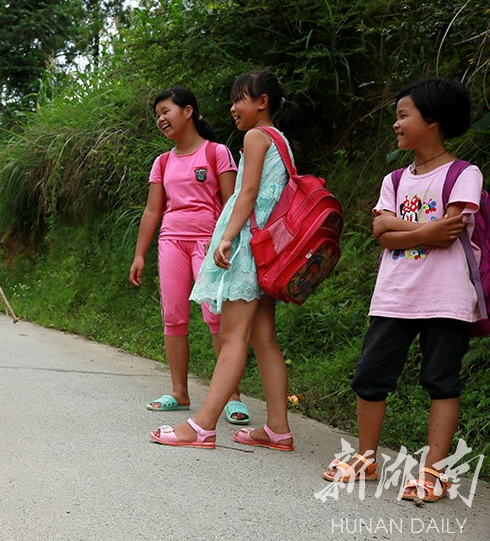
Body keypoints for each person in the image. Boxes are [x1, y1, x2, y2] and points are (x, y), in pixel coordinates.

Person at [321, 78, 482, 503]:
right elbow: (380, 231)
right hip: (394, 296)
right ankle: (366, 456)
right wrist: (425, 229)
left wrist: (405, 229)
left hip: (446, 298)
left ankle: (434, 472)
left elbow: (449, 233)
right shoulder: (394, 179)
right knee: (370, 377)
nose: (396, 123)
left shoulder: (464, 173)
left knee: (440, 380)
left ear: (433, 121)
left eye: (403, 115)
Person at [150, 70, 297, 450]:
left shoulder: (255, 136)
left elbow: (246, 194)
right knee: (265, 340)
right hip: (271, 251)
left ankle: (201, 426)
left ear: (262, 103)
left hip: (248, 249)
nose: (233, 108)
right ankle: (278, 429)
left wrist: (228, 237)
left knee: (233, 337)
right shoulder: (281, 142)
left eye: (240, 99)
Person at [129, 87, 244, 421]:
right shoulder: (163, 162)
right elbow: (153, 211)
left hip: (209, 244)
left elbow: (231, 203)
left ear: (189, 111)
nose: (161, 119)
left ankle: (232, 396)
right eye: (157, 115)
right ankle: (179, 392)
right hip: (171, 243)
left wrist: (226, 241)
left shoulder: (217, 153)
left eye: (166, 111)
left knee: (216, 316)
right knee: (174, 316)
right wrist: (140, 254)